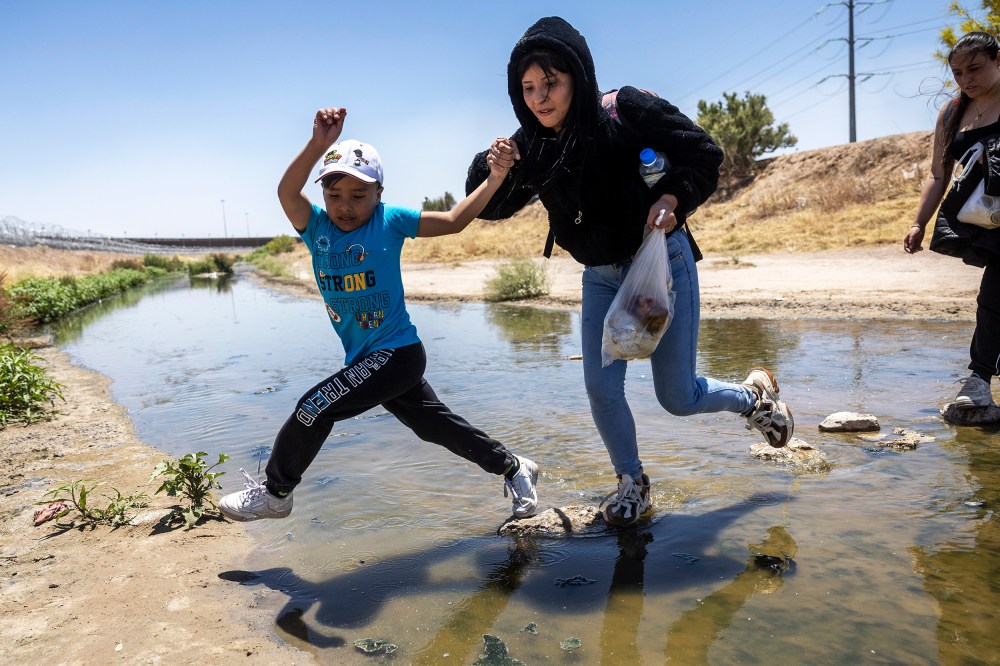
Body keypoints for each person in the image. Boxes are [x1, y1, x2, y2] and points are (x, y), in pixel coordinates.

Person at [465, 16, 793, 528]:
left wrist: (672, 196)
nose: (540, 98)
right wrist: (495, 168)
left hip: (661, 266)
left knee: (678, 398)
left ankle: (754, 399)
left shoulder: (625, 109)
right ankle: (632, 482)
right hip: (599, 277)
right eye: (528, 87)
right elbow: (490, 205)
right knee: (601, 388)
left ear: (577, 74)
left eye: (551, 82)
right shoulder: (532, 144)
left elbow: (703, 152)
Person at [219, 107, 539, 522]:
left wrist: (496, 177)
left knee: (314, 407)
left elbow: (456, 220)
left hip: (397, 354)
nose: (345, 206)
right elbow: (285, 192)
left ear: (379, 194)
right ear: (322, 196)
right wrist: (319, 144)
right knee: (435, 426)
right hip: (368, 359)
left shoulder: (390, 222)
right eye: (334, 196)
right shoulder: (317, 230)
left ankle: (277, 492)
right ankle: (514, 467)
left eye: (358, 196)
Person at [905, 31, 1000, 410]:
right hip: (987, 221)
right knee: (994, 295)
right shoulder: (951, 113)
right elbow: (938, 175)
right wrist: (919, 222)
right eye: (958, 73)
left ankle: (978, 377)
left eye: (974, 69)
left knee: (993, 294)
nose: (966, 80)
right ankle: (980, 379)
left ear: (997, 60)